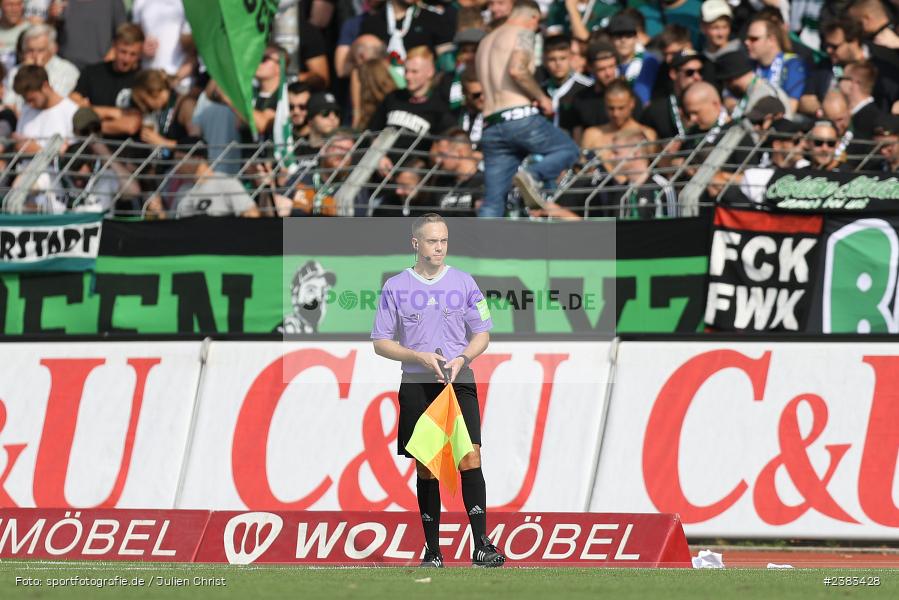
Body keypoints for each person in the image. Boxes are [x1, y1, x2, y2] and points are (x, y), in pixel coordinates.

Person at [371, 213, 505, 569]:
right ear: (416, 243)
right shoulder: (395, 287)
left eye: (444, 240)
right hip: (417, 382)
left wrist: (463, 357)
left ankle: (481, 544)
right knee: (427, 465)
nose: (440, 247)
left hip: (458, 379)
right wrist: (417, 356)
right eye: (432, 241)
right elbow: (380, 342)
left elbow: (483, 334)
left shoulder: (464, 282)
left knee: (470, 455)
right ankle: (432, 550)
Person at [475, 0, 580, 216]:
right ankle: (532, 174)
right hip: (519, 118)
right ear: (533, 17)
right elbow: (517, 70)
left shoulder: (485, 42)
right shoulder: (523, 32)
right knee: (568, 149)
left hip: (491, 124)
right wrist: (541, 97)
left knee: (493, 202)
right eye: (538, 23)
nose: (537, 28)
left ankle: (480, 249)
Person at [146, 137, 261, 218]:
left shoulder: (227, 184)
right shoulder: (183, 190)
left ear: (198, 158)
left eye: (180, 159)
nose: (176, 165)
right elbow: (174, 227)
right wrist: (160, 213)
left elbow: (252, 215)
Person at [4, 24, 79, 109]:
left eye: (40, 50)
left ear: (53, 49)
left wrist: (35, 73)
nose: (35, 56)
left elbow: (53, 103)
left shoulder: (67, 70)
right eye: (30, 50)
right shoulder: (16, 71)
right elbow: (9, 103)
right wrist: (25, 72)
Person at [70, 22, 143, 109]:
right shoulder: (91, 73)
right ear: (114, 46)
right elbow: (73, 100)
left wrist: (92, 109)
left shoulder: (142, 81)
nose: (126, 59)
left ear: (140, 54)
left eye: (133, 54)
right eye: (123, 52)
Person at [744, 16, 806, 113]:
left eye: (754, 39)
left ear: (771, 40)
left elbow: (790, 109)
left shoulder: (792, 64)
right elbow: (731, 99)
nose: (747, 42)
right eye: (747, 38)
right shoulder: (748, 64)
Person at [12, 63, 77, 152]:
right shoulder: (26, 110)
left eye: (32, 99)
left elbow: (73, 158)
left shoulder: (71, 112)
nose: (29, 104)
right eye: (25, 99)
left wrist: (37, 151)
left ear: (45, 86)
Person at [640, 49, 704, 140]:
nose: (697, 77)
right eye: (690, 73)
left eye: (700, 71)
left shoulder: (711, 105)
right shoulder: (655, 112)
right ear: (673, 74)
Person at [581, 80, 656, 152]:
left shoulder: (647, 135)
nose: (615, 114)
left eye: (621, 108)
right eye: (611, 108)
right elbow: (582, 164)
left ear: (632, 103)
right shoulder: (592, 136)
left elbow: (662, 164)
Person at [715, 50, 792, 120]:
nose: (726, 87)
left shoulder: (762, 94)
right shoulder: (754, 88)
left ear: (731, 80)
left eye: (726, 82)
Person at [540, 34, 593, 130]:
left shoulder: (587, 87)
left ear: (571, 58)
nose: (558, 64)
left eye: (563, 58)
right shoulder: (540, 91)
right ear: (544, 61)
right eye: (552, 59)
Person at [54, 0, 127, 70]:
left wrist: (113, 51)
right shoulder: (62, 2)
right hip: (66, 65)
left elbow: (123, 32)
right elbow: (52, 28)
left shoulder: (113, 2)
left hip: (100, 65)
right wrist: (52, 17)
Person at [608, 12, 659, 105]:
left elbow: (642, 99)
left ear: (636, 37)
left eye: (628, 35)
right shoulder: (606, 62)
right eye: (618, 35)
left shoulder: (649, 61)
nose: (623, 40)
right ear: (611, 40)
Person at [430, 128, 483, 216]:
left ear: (460, 153)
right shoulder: (441, 183)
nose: (437, 160)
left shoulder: (484, 182)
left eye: (442, 154)